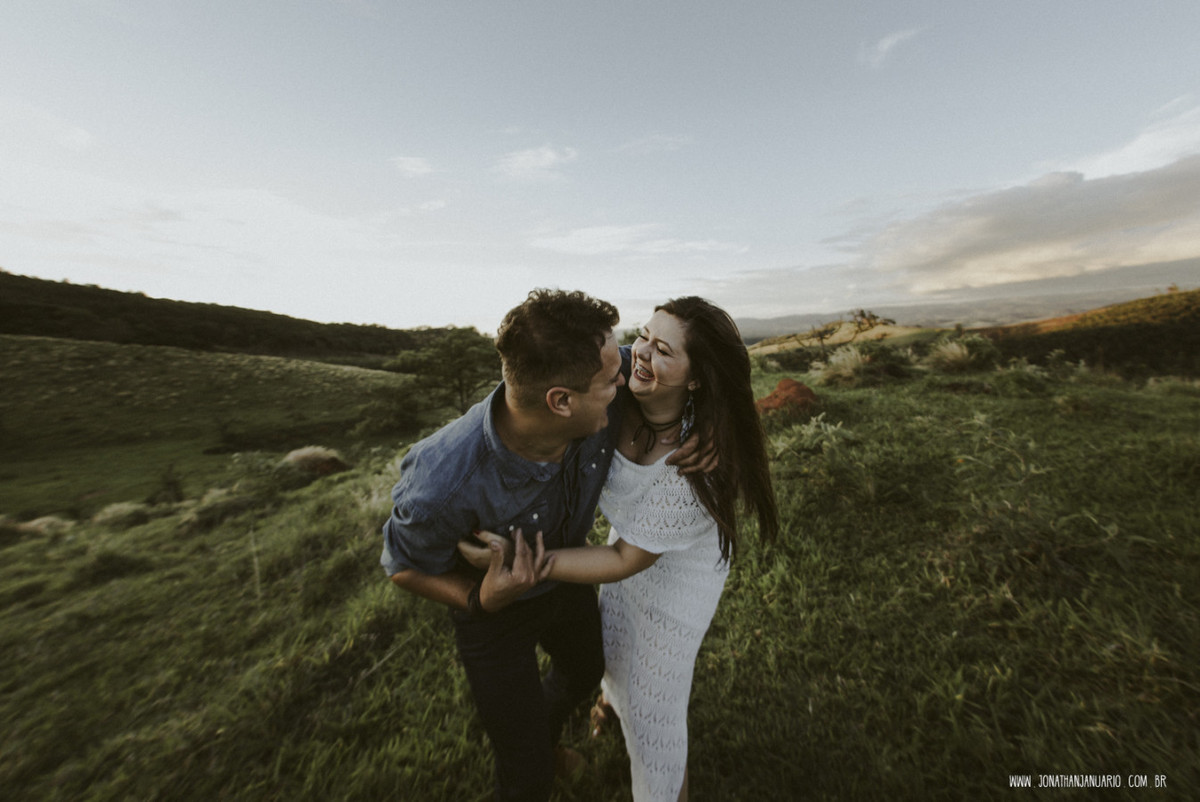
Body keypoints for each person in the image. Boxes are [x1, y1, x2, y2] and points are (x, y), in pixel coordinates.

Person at [380, 289, 710, 802]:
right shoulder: (441, 480)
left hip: (567, 581)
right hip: (493, 612)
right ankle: (534, 759)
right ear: (561, 402)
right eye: (612, 381)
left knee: (585, 669)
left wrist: (714, 427)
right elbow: (402, 567)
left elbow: (685, 372)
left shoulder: (598, 372)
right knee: (525, 779)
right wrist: (480, 599)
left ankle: (546, 738)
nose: (625, 378)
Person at [461, 296, 779, 802]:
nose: (642, 354)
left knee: (654, 708)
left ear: (696, 380)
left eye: (664, 351)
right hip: (626, 547)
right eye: (644, 337)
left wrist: (523, 561)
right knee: (613, 650)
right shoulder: (617, 385)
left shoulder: (697, 471)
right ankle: (611, 703)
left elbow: (625, 560)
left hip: (675, 579)